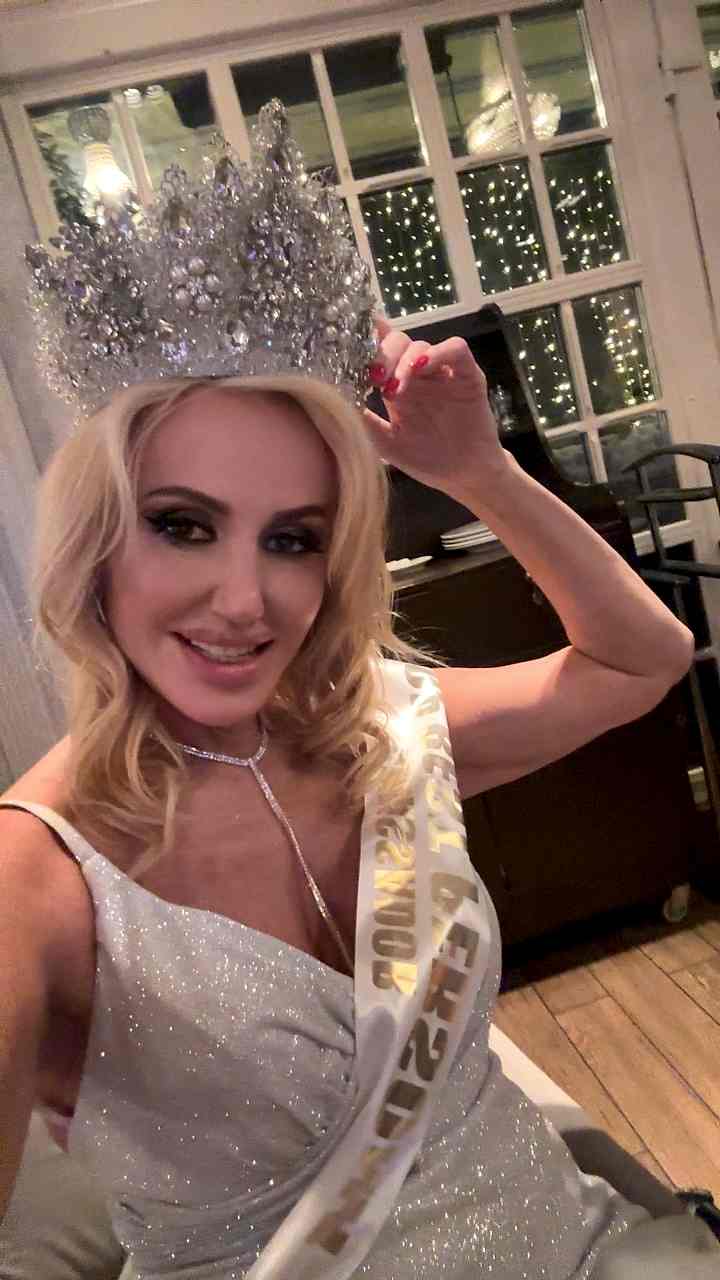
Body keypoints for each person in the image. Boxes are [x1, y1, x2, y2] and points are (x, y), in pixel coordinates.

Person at [0, 100, 717, 1280]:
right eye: (183, 523)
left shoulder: (376, 725)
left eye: (292, 537)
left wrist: (480, 471)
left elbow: (645, 658)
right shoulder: (37, 876)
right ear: (97, 542)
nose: (246, 598)